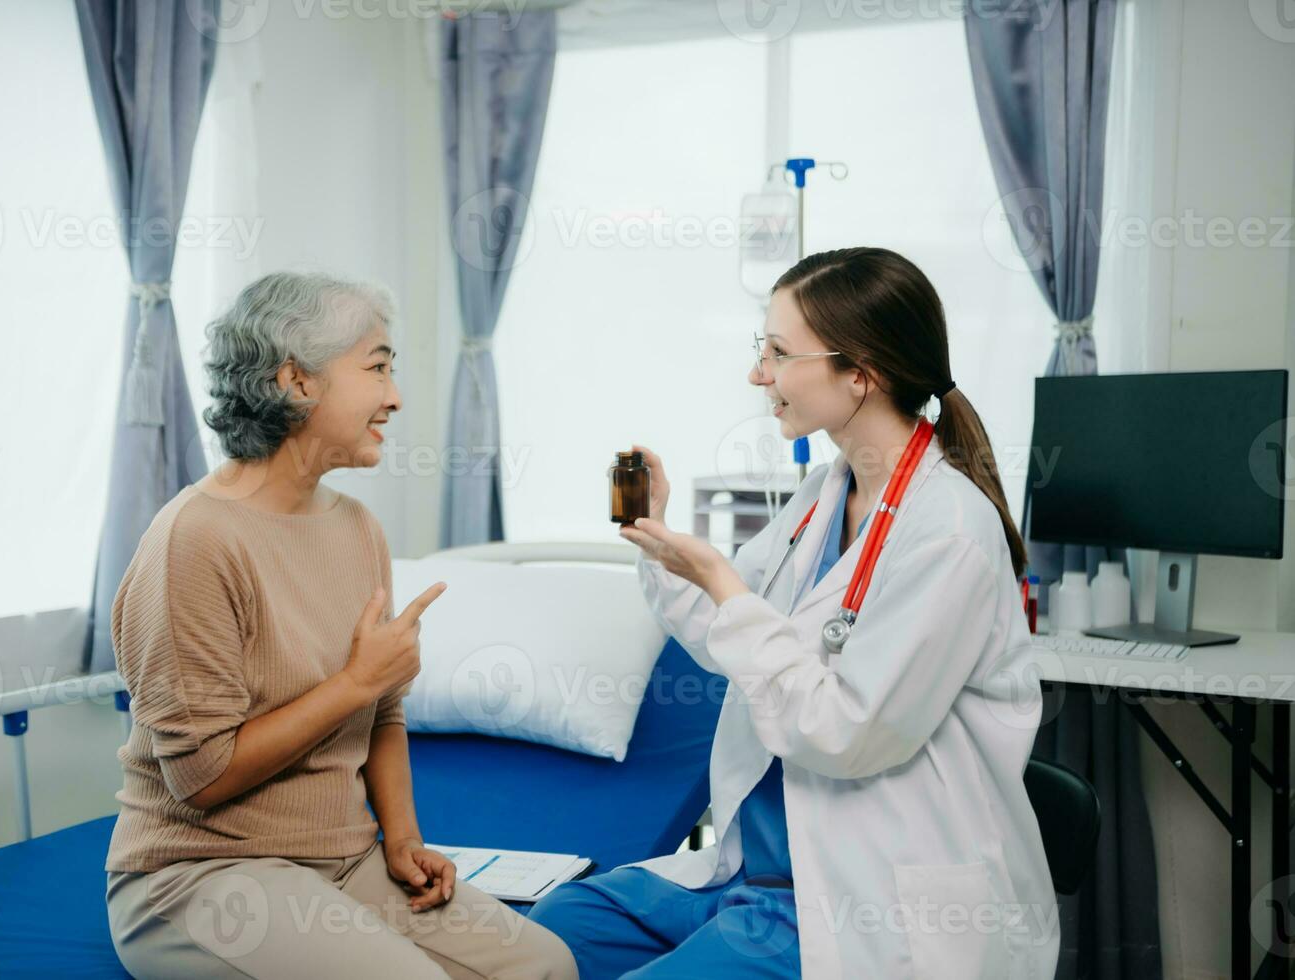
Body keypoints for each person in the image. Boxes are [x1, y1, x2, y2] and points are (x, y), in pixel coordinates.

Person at [530, 247, 1058, 979]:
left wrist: (726, 587)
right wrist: (663, 544)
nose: (757, 375)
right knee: (550, 930)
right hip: (760, 873)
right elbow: (735, 640)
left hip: (855, 896)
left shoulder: (950, 535)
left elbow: (845, 734)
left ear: (860, 374)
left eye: (777, 353)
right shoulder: (825, 492)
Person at [104, 271, 578, 980]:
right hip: (202, 872)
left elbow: (383, 709)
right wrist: (357, 681)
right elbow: (199, 778)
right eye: (378, 367)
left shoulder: (356, 529)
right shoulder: (195, 541)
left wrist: (402, 838)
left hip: (345, 859)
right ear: (297, 380)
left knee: (545, 965)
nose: (395, 397)